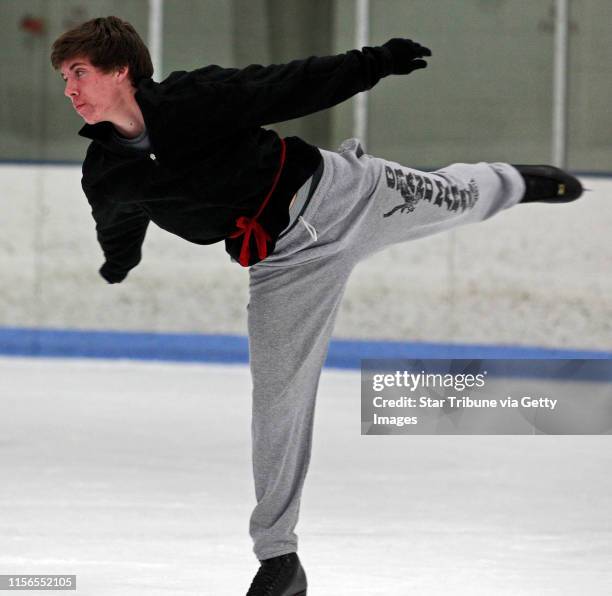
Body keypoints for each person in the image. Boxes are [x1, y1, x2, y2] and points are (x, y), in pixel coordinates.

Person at [51, 16, 583, 596]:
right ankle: (279, 560)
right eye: (63, 78)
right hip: (284, 268)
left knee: (454, 196)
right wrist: (119, 262)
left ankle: (514, 181)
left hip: (344, 195)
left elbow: (284, 84)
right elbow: (118, 221)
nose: (70, 90)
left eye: (79, 73)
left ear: (121, 70)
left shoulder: (192, 98)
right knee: (277, 402)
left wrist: (373, 62)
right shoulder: (107, 171)